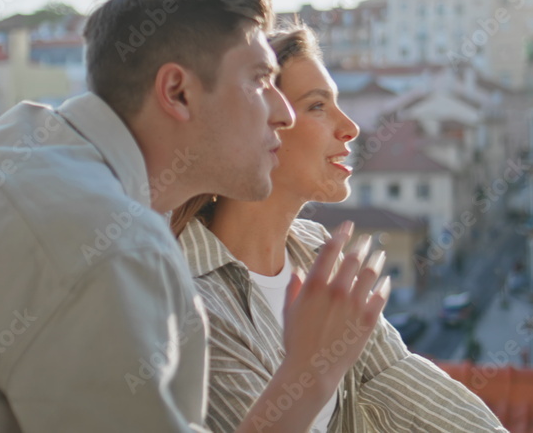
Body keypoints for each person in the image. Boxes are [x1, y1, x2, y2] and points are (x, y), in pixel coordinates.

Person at [0, 0, 389, 432]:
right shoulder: (106, 245)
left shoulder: (20, 141)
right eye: (259, 80)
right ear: (177, 91)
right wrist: (309, 372)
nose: (282, 111)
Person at [172, 23, 507, 432]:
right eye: (317, 106)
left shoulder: (319, 256)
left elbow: (403, 383)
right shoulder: (185, 296)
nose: (350, 127)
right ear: (258, 121)